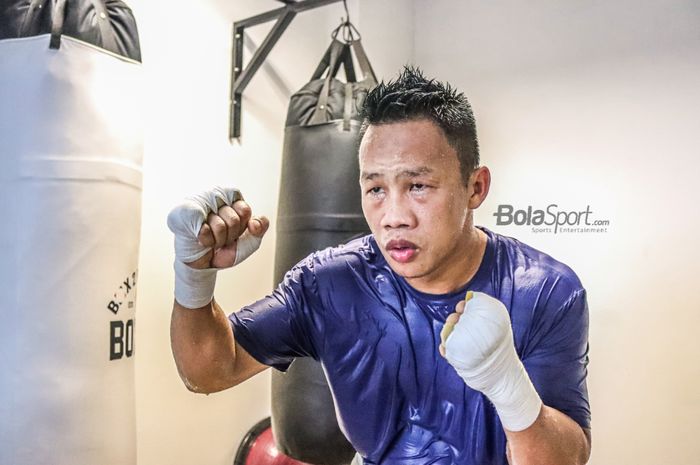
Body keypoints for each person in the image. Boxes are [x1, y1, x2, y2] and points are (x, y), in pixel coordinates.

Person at [167, 67, 591, 465]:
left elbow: (567, 458)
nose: (394, 216)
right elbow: (208, 371)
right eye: (375, 189)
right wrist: (194, 274)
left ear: (475, 187)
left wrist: (508, 385)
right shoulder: (330, 283)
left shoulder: (545, 291)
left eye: (418, 186)